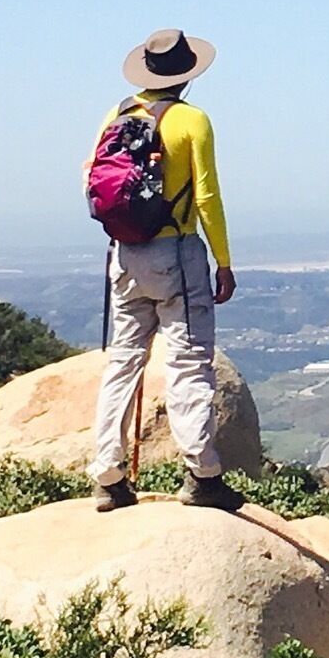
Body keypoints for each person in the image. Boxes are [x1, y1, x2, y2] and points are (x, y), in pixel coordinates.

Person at [87, 28, 241, 513]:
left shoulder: (117, 114)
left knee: (123, 361)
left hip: (124, 252)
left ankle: (108, 476)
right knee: (188, 360)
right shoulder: (192, 121)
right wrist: (223, 260)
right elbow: (207, 197)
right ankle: (202, 474)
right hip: (176, 251)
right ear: (187, 75)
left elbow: (90, 179)